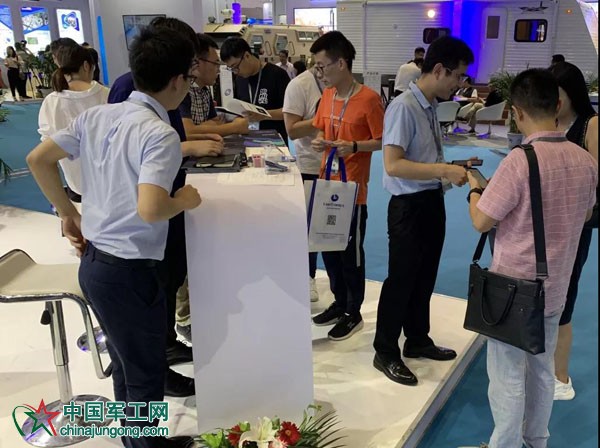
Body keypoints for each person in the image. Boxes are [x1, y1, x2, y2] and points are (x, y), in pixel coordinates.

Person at [26, 26, 203, 448]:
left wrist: (68, 214)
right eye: (190, 76)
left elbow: (38, 159)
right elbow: (151, 208)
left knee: (126, 365)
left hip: (96, 266)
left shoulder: (98, 115)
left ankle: (138, 442)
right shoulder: (160, 133)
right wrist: (184, 200)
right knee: (143, 373)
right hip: (130, 272)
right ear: (177, 80)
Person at [463, 68, 597, 448]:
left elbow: (481, 221)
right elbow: (587, 213)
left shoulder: (519, 161)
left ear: (517, 112)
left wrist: (475, 190)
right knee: (541, 369)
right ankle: (536, 440)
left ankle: (503, 444)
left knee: (506, 376)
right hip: (555, 288)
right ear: (557, 105)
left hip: (512, 290)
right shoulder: (585, 160)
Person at [108, 17, 223, 399]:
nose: (192, 76)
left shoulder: (160, 97)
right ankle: (153, 384)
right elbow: (136, 166)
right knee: (137, 362)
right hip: (134, 241)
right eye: (190, 66)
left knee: (135, 359)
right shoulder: (133, 96)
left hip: (143, 229)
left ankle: (161, 358)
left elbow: (42, 157)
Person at [373, 36, 474, 385]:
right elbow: (393, 164)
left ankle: (417, 338)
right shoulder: (404, 107)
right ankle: (385, 350)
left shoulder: (429, 105)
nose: (460, 83)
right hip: (408, 207)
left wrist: (451, 167)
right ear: (439, 69)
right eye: (458, 76)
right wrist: (443, 170)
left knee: (425, 275)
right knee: (401, 279)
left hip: (431, 200)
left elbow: (423, 158)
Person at [309, 31, 384, 341]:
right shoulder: (327, 96)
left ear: (341, 63)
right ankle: (339, 303)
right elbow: (320, 130)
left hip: (353, 191)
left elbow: (382, 141)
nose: (319, 72)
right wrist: (320, 141)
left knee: (350, 253)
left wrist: (354, 146)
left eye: (322, 66)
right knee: (328, 249)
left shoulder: (369, 99)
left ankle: (353, 311)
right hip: (326, 186)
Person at [548, 61, 598, 401]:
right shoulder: (547, 123)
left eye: (556, 95)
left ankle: (560, 377)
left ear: (571, 94)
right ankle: (542, 367)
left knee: (564, 298)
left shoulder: (591, 125)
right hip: (545, 226)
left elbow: (596, 181)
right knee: (543, 297)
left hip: (576, 226)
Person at [38, 44, 109, 204]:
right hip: (112, 185)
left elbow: (46, 149)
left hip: (77, 185)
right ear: (86, 66)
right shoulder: (108, 95)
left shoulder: (52, 101)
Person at [283, 58, 326, 303]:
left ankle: (341, 291)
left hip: (341, 165)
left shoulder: (342, 84)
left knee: (335, 228)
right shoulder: (299, 85)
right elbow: (292, 130)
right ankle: (308, 276)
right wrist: (324, 118)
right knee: (309, 227)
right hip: (310, 165)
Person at [179, 33, 249, 138]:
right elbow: (187, 132)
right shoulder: (183, 91)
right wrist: (235, 127)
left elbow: (216, 122)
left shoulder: (205, 90)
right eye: (216, 64)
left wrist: (202, 127)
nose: (218, 70)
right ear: (198, 62)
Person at [220, 37, 290, 141]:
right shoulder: (239, 79)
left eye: (235, 66)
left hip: (274, 140)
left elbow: (290, 111)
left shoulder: (278, 75)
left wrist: (264, 115)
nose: (235, 72)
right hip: (247, 139)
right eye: (231, 69)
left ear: (247, 56)